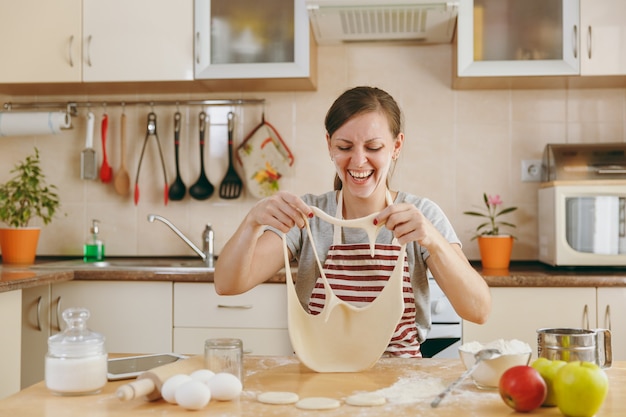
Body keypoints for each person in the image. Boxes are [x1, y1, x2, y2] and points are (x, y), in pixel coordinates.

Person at [214, 86, 491, 357]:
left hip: (400, 384)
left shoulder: (421, 215)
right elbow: (227, 285)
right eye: (344, 146)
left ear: (396, 146)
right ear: (329, 145)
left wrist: (434, 241)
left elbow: (478, 311)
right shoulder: (309, 216)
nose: (358, 161)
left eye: (373, 147)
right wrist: (251, 223)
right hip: (320, 378)